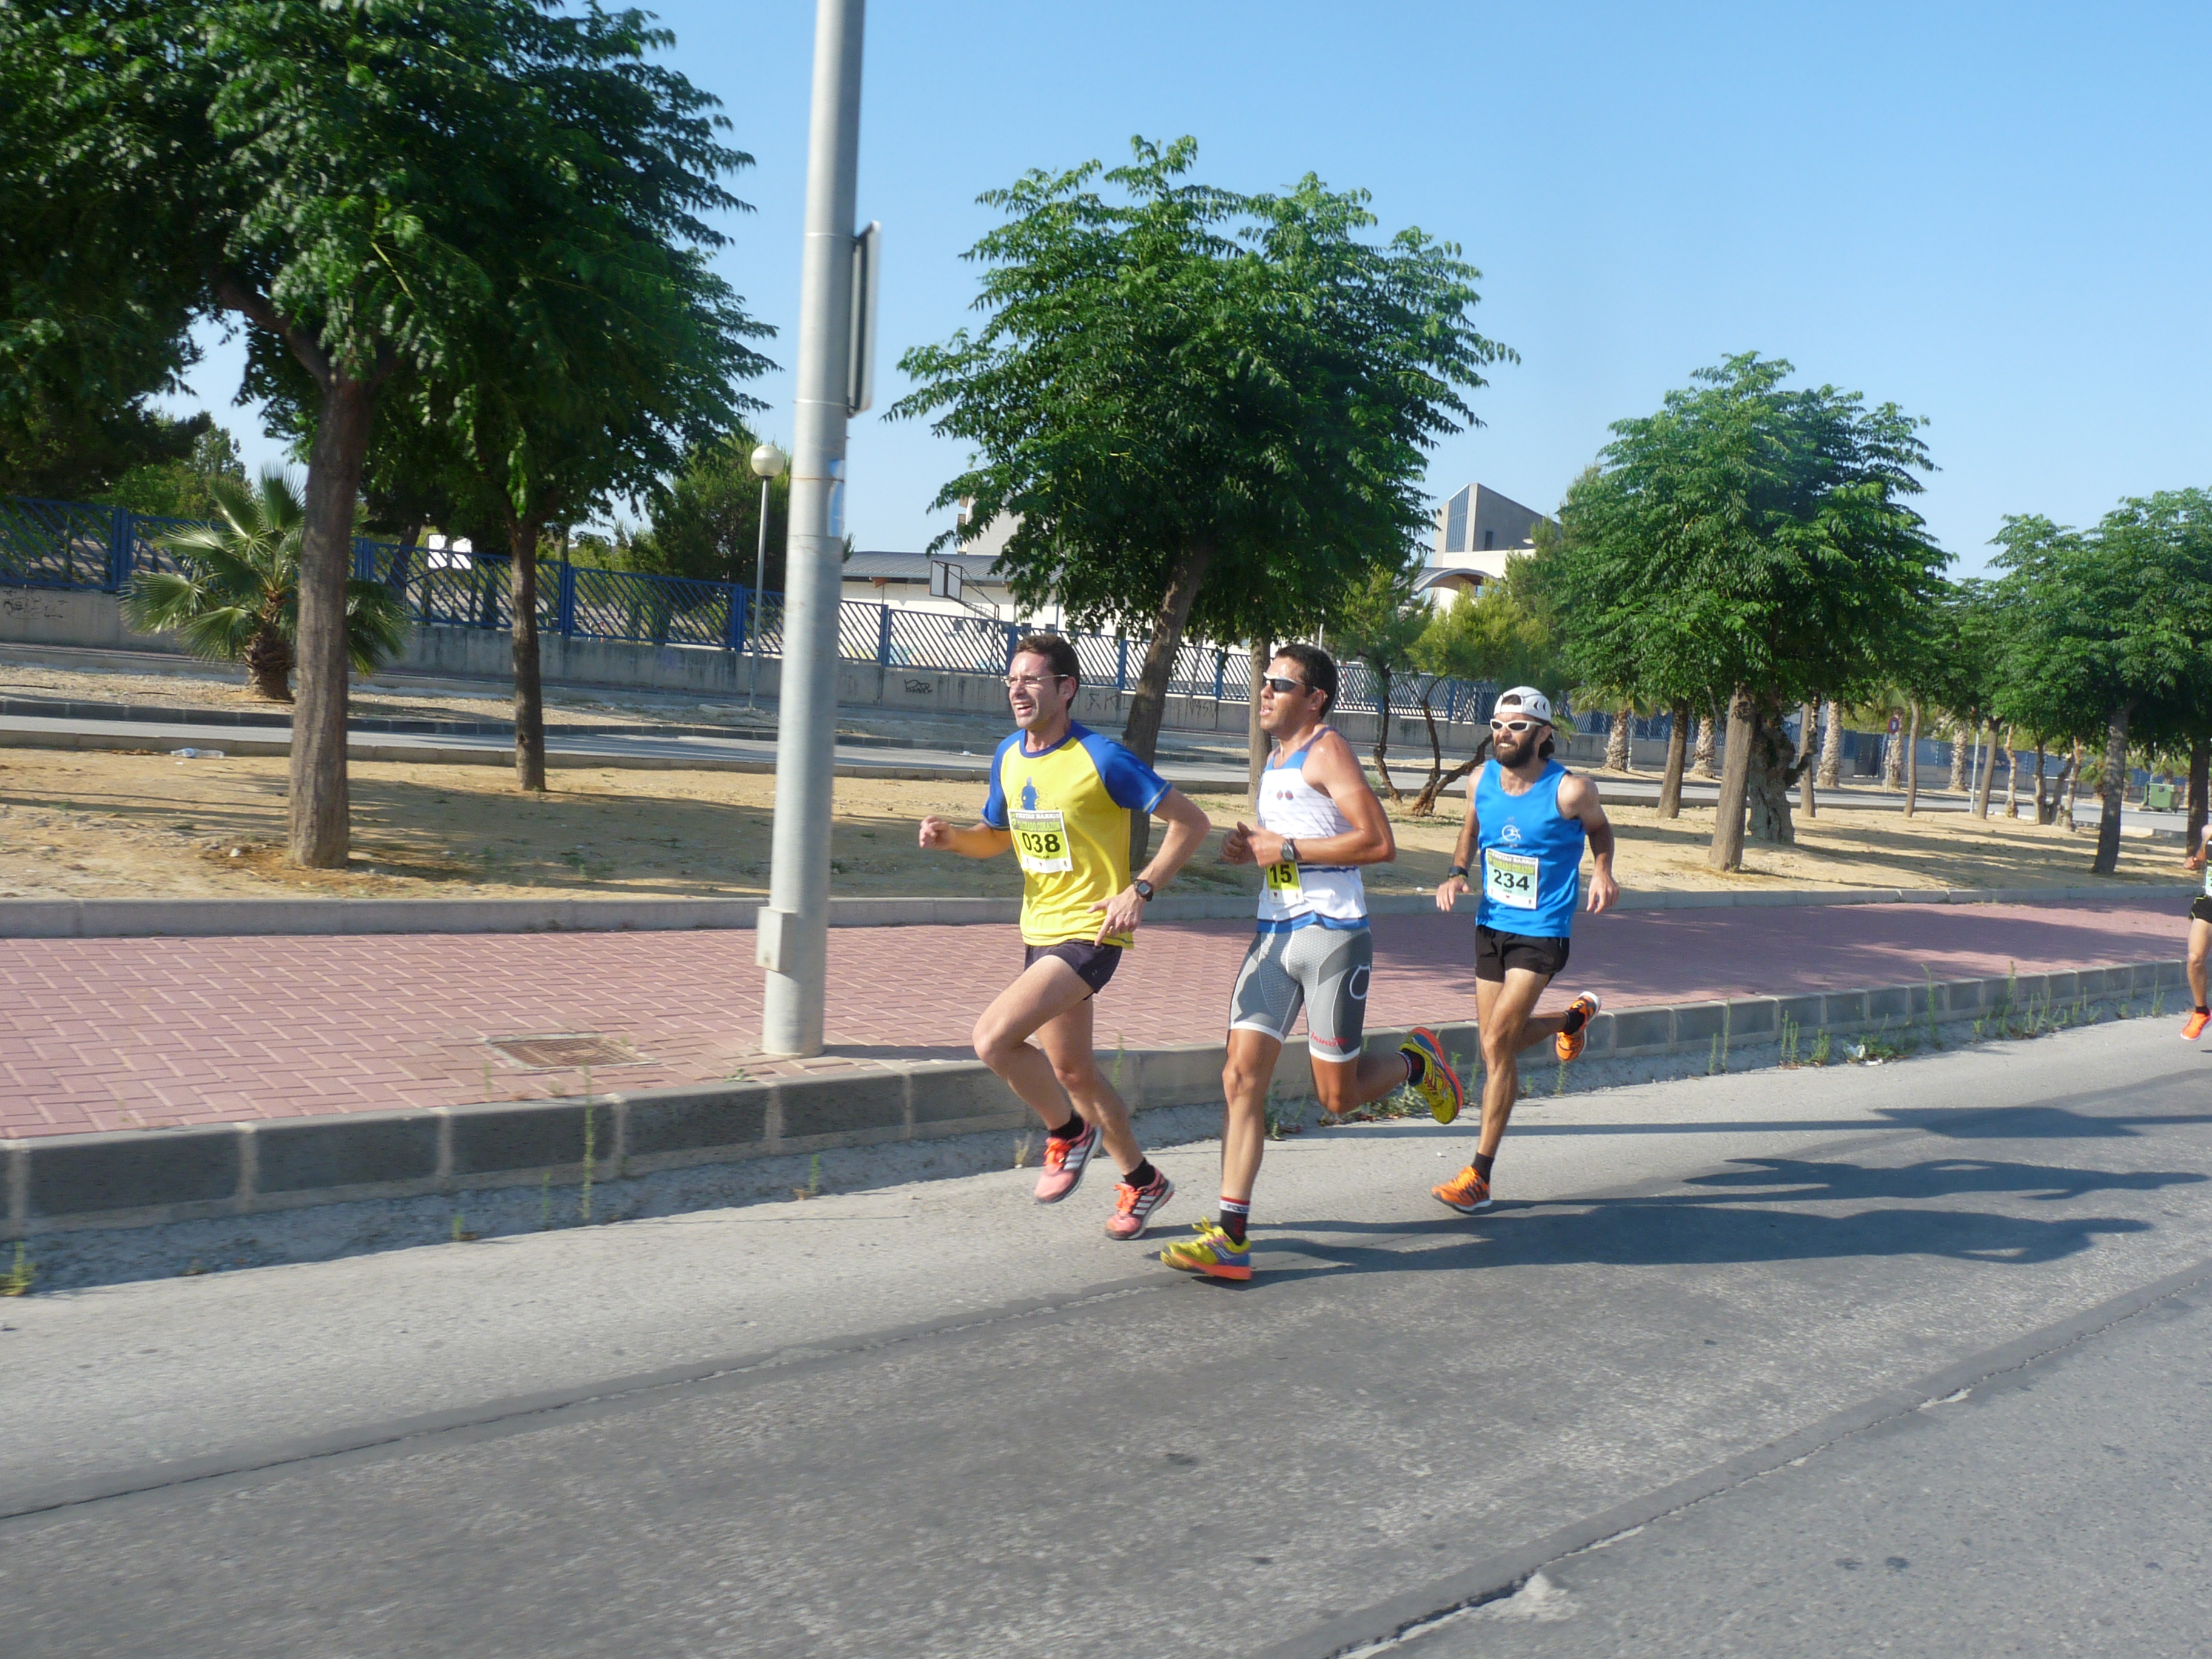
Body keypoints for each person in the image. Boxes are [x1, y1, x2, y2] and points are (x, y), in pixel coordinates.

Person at [1161, 645, 1464, 1282]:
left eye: (1279, 683)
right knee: (1240, 1078)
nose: (1264, 691)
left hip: (1332, 936)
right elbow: (1288, 847)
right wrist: (1253, 849)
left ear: (1315, 698)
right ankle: (1231, 1236)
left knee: (1337, 1096)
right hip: (1274, 934)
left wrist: (1288, 847)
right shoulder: (1275, 759)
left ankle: (1416, 1062)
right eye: (1264, 681)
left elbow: (1380, 843)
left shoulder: (1328, 750)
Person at [919, 632, 1213, 1239]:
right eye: (1011, 680)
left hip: (1090, 932)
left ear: (1066, 688)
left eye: (1031, 679)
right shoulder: (1009, 755)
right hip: (1040, 930)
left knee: (993, 1039)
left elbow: (1191, 822)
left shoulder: (1103, 758)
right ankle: (1142, 1181)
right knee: (1075, 1072)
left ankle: (1068, 1132)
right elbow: (996, 837)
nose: (1017, 690)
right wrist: (953, 840)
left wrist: (1141, 889)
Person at [1429, 686, 1619, 1215]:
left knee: (1497, 1041)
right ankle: (1570, 1021)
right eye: (1497, 725)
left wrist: (1602, 872)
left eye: (1516, 726)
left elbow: (1601, 831)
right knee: (1496, 1046)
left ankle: (1479, 1176)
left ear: (1543, 734)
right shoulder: (1480, 780)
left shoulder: (1571, 791)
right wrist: (1456, 872)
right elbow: (1471, 829)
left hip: (1543, 929)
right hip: (1491, 924)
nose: (1503, 735)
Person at [2182, 820, 2211, 1041]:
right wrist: (2192, 862)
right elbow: (2202, 857)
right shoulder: (2209, 832)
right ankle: (2201, 1012)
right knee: (2195, 959)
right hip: (2209, 903)